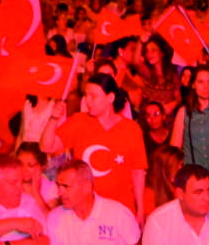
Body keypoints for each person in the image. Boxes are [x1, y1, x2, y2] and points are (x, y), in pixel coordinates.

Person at [41, 73, 148, 224]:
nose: (87, 101)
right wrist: (52, 119)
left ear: (110, 97)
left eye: (93, 96)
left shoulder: (132, 129)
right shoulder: (78, 121)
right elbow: (47, 146)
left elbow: (138, 172)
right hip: (84, 210)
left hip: (120, 210)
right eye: (86, 95)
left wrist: (141, 210)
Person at [170, 64, 209, 192]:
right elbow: (174, 148)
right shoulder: (184, 112)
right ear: (193, 85)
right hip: (193, 176)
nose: (206, 87)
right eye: (201, 82)